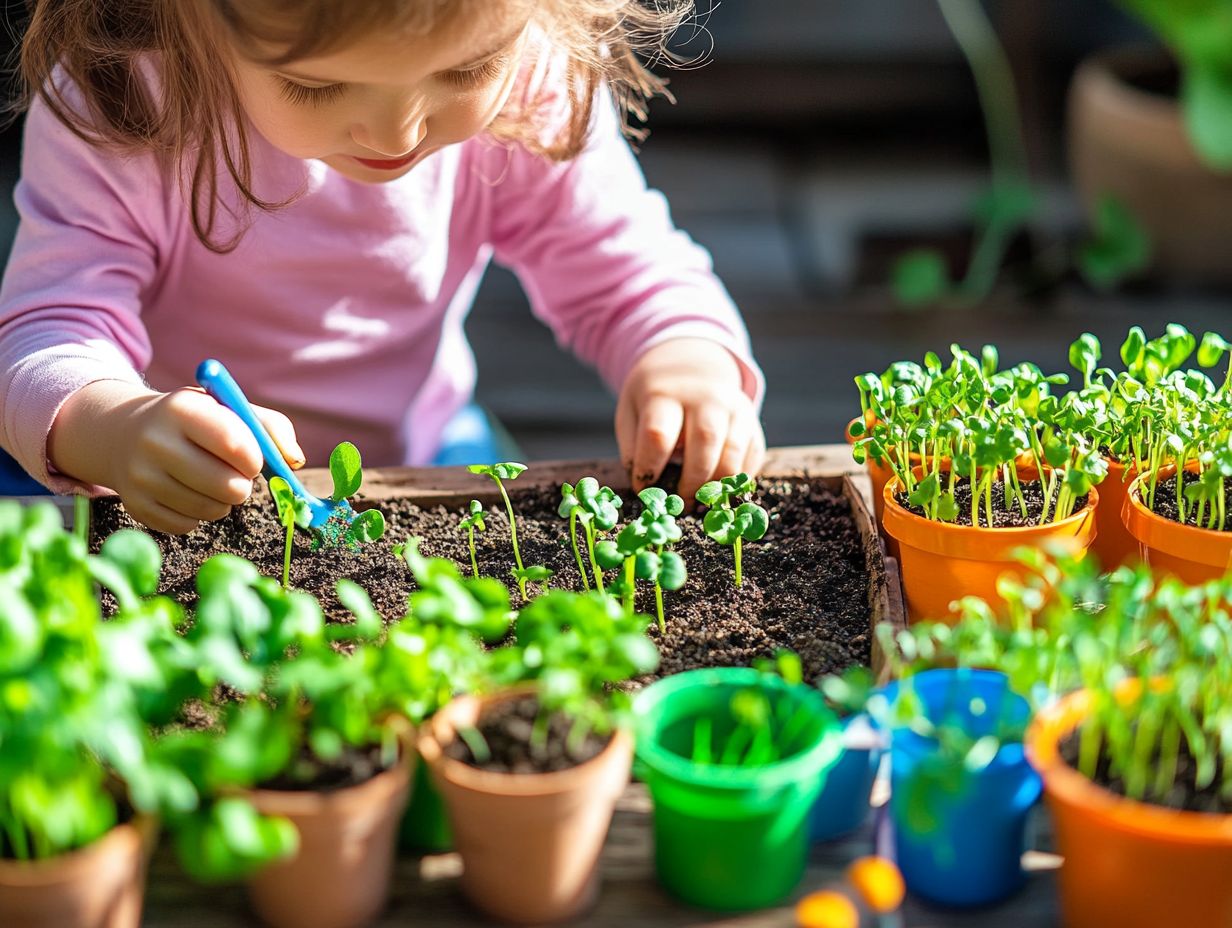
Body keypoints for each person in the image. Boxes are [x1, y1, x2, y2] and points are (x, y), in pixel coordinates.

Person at [0, 0, 765, 534]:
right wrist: (115, 427)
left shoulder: (532, 81)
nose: (397, 132)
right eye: (317, 84)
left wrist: (684, 360)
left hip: (422, 445)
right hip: (163, 477)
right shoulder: (124, 102)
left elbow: (625, 269)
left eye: (467, 69)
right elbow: (45, 332)